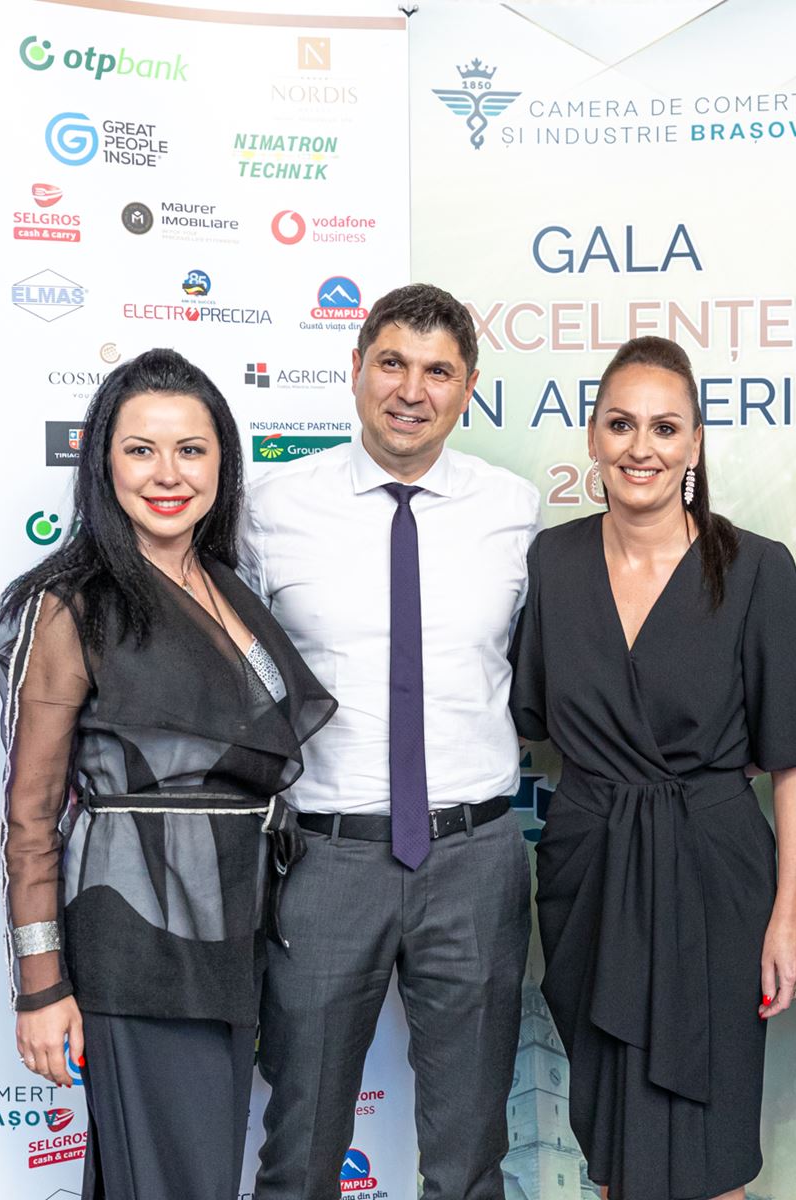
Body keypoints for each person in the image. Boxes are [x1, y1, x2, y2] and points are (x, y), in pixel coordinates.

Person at [0, 349, 334, 1200]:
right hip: (136, 939)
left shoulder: (227, 585)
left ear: (223, 462)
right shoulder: (70, 603)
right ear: (104, 464)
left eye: (191, 449)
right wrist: (41, 986)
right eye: (140, 449)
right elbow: (31, 816)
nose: (168, 474)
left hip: (233, 935)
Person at [507, 336, 796, 1200]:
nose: (640, 447)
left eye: (664, 427)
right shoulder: (553, 563)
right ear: (592, 436)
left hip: (713, 876)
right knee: (612, 1147)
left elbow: (794, 762)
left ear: (694, 442)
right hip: (589, 869)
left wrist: (788, 915)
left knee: (710, 1149)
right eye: (620, 424)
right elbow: (531, 715)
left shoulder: (756, 567)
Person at [241, 284, 539, 1200]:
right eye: (393, 364)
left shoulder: (514, 511)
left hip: (476, 859)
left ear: (469, 388)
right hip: (326, 863)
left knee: (468, 1155)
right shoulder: (269, 509)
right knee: (300, 1148)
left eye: (438, 371)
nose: (412, 391)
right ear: (357, 369)